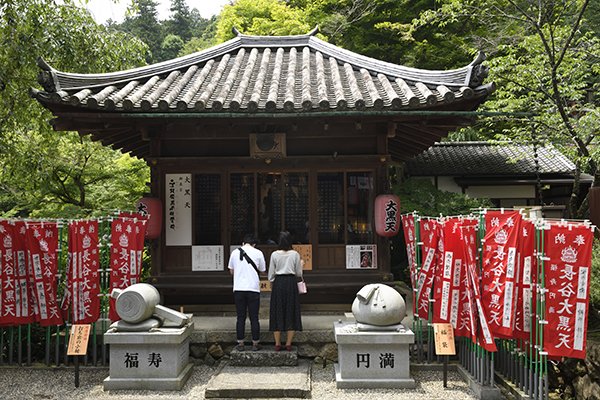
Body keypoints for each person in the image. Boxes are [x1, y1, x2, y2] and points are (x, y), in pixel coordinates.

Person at [228, 233, 266, 352]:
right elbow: (262, 270)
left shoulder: (234, 252)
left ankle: (240, 343)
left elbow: (231, 271)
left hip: (239, 288)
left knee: (240, 317)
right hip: (253, 288)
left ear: (243, 242)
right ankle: (255, 343)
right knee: (254, 317)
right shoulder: (258, 253)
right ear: (254, 244)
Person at [268, 231, 303, 351]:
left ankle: (277, 343)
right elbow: (298, 273)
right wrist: (301, 265)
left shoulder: (274, 255)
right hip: (291, 283)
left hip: (278, 283)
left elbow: (271, 274)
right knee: (291, 310)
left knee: (277, 310)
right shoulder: (295, 254)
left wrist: (272, 283)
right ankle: (288, 343)